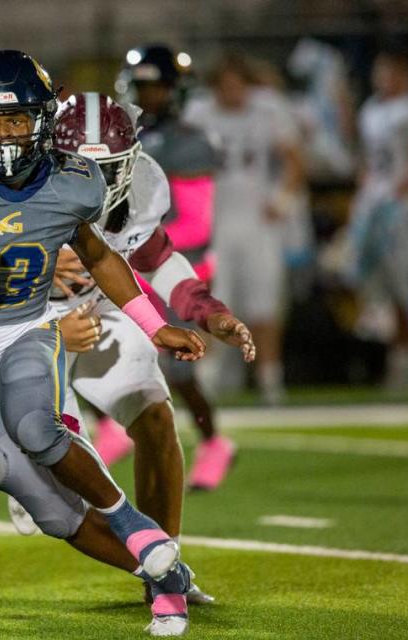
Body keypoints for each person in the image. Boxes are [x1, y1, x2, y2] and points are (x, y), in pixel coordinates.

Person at [0, 50, 206, 637]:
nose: (5, 134)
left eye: (18, 119)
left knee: (36, 426)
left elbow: (102, 258)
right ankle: (165, 575)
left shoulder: (71, 180)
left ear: (44, 120)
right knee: (51, 513)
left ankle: (136, 526)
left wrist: (156, 326)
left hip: (28, 330)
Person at [6, 94, 253, 591]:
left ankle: (166, 572)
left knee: (156, 417)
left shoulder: (141, 187)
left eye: (110, 168)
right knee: (55, 496)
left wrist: (210, 312)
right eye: (83, 168)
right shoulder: (10, 183)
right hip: (17, 325)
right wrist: (44, 321)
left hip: (98, 309)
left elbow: (157, 258)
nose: (97, 184)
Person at [117, 45, 235, 489]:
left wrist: (131, 244)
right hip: (130, 262)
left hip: (176, 265)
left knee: (179, 370)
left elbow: (196, 224)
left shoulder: (190, 142)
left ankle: (213, 442)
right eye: (142, 87)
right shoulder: (119, 134)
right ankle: (110, 430)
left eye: (158, 87)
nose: (148, 97)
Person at [183, 52, 304, 405]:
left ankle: (270, 379)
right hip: (214, 222)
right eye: (226, 85)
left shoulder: (267, 109)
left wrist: (282, 200)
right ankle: (206, 378)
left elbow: (294, 159)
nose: (233, 92)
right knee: (211, 303)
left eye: (239, 85)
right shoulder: (199, 113)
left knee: (265, 304)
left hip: (256, 221)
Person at [348, 45, 408, 390]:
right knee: (372, 280)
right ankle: (396, 356)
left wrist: (400, 194)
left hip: (404, 204)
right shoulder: (371, 109)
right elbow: (367, 161)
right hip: (375, 202)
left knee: (404, 286)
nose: (383, 79)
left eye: (390, 71)